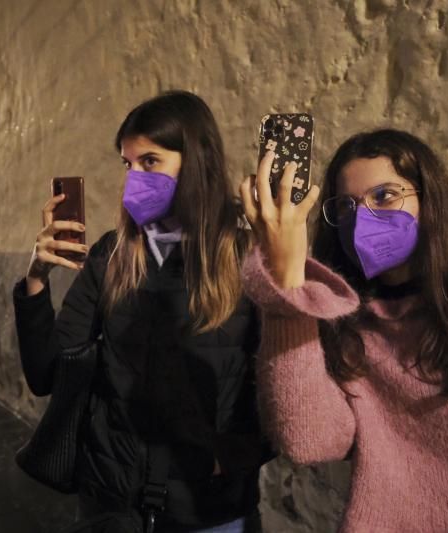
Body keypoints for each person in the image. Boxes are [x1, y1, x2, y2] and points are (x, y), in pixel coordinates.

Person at [239, 128, 448, 531]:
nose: (363, 217)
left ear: (429, 199)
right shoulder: (347, 328)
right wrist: (287, 285)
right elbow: (310, 441)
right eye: (346, 206)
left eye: (384, 196)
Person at [14, 91, 270, 532]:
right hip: (111, 504)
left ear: (195, 161)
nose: (134, 177)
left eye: (151, 161)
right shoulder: (112, 256)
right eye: (127, 164)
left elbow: (286, 383)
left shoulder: (249, 255)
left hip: (210, 509)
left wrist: (233, 455)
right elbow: (45, 374)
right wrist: (35, 280)